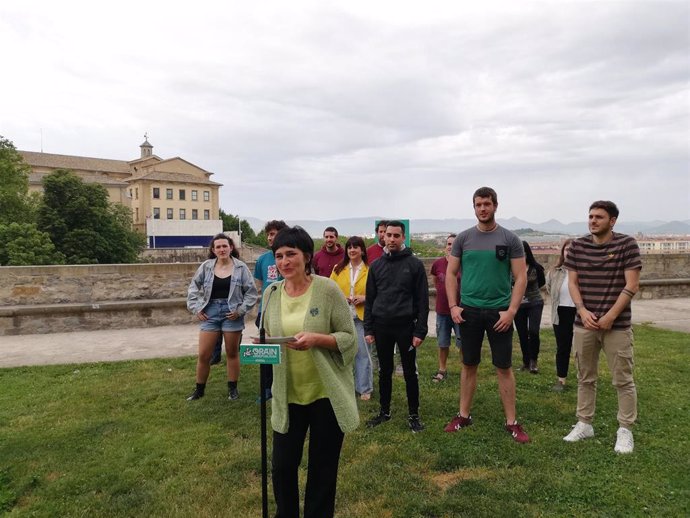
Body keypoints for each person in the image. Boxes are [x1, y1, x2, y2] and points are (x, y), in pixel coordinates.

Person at [260, 226, 358, 518]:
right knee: (282, 466)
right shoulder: (271, 293)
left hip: (324, 394)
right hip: (287, 393)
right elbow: (266, 335)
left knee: (322, 467)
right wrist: (258, 347)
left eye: (291, 254)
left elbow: (349, 338)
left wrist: (318, 340)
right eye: (278, 255)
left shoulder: (326, 289)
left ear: (306, 256)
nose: (284, 261)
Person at [444, 187, 530, 443]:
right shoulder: (463, 239)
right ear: (474, 207)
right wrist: (453, 306)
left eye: (487, 204)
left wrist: (512, 311)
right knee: (468, 364)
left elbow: (521, 276)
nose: (483, 208)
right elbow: (450, 274)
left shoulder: (510, 239)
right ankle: (463, 415)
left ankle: (512, 422)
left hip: (499, 312)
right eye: (478, 204)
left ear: (495, 206)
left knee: (503, 367)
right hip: (468, 311)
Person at [562, 201, 641, 454]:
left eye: (599, 217)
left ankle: (625, 429)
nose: (593, 220)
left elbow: (631, 285)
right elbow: (572, 283)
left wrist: (610, 316)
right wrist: (582, 310)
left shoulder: (626, 244)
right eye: (590, 216)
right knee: (585, 377)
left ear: (613, 220)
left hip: (617, 326)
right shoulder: (578, 246)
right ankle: (585, 423)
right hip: (584, 323)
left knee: (623, 379)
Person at [364, 221, 429, 433]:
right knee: (384, 371)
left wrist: (420, 330)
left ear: (403, 238)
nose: (391, 239)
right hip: (381, 326)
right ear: (383, 237)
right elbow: (371, 299)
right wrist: (368, 329)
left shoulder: (414, 264)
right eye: (388, 235)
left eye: (396, 236)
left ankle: (414, 415)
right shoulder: (376, 266)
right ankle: (384, 411)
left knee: (410, 372)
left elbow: (422, 300)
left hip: (406, 327)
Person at [186, 234, 258, 401]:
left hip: (232, 313)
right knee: (204, 354)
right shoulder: (206, 267)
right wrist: (196, 308)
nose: (222, 249)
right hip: (210, 312)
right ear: (213, 250)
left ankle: (232, 389)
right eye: (218, 247)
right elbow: (193, 288)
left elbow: (251, 293)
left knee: (232, 353)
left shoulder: (241, 268)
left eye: (224, 246)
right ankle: (199, 390)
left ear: (231, 247)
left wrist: (240, 311)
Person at [330, 236, 374, 400]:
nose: (352, 250)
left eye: (356, 247)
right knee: (342, 354)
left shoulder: (370, 269)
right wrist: (342, 298)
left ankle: (364, 388)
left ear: (362, 250)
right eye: (349, 247)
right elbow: (330, 290)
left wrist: (365, 298)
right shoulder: (338, 269)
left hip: (362, 317)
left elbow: (377, 293)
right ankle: (345, 386)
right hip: (342, 317)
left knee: (362, 354)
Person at [253, 219, 288, 398]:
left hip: (287, 310)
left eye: (273, 233)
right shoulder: (263, 259)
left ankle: (285, 385)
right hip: (265, 311)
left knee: (285, 349)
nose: (269, 237)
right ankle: (267, 387)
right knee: (266, 350)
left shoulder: (290, 256)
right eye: (268, 234)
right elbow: (260, 284)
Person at [430, 234, 462, 382]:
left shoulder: (464, 264)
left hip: (461, 310)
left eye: (454, 244)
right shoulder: (438, 264)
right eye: (449, 244)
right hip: (442, 310)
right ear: (445, 246)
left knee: (463, 343)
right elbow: (436, 281)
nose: (451, 247)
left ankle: (465, 370)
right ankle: (442, 369)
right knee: (443, 343)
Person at [545, 239, 575, 391]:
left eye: (573, 249)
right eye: (567, 249)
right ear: (563, 251)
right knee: (563, 347)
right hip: (560, 313)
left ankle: (585, 379)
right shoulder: (554, 272)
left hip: (579, 312)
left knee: (582, 349)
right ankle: (561, 379)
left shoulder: (585, 271)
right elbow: (549, 289)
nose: (569, 252)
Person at [514, 241, 545, 374]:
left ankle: (534, 361)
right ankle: (526, 362)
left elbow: (542, 282)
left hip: (535, 303)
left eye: (524, 253)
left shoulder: (536, 267)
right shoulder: (512, 268)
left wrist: (529, 293)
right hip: (518, 305)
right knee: (522, 334)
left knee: (533, 331)